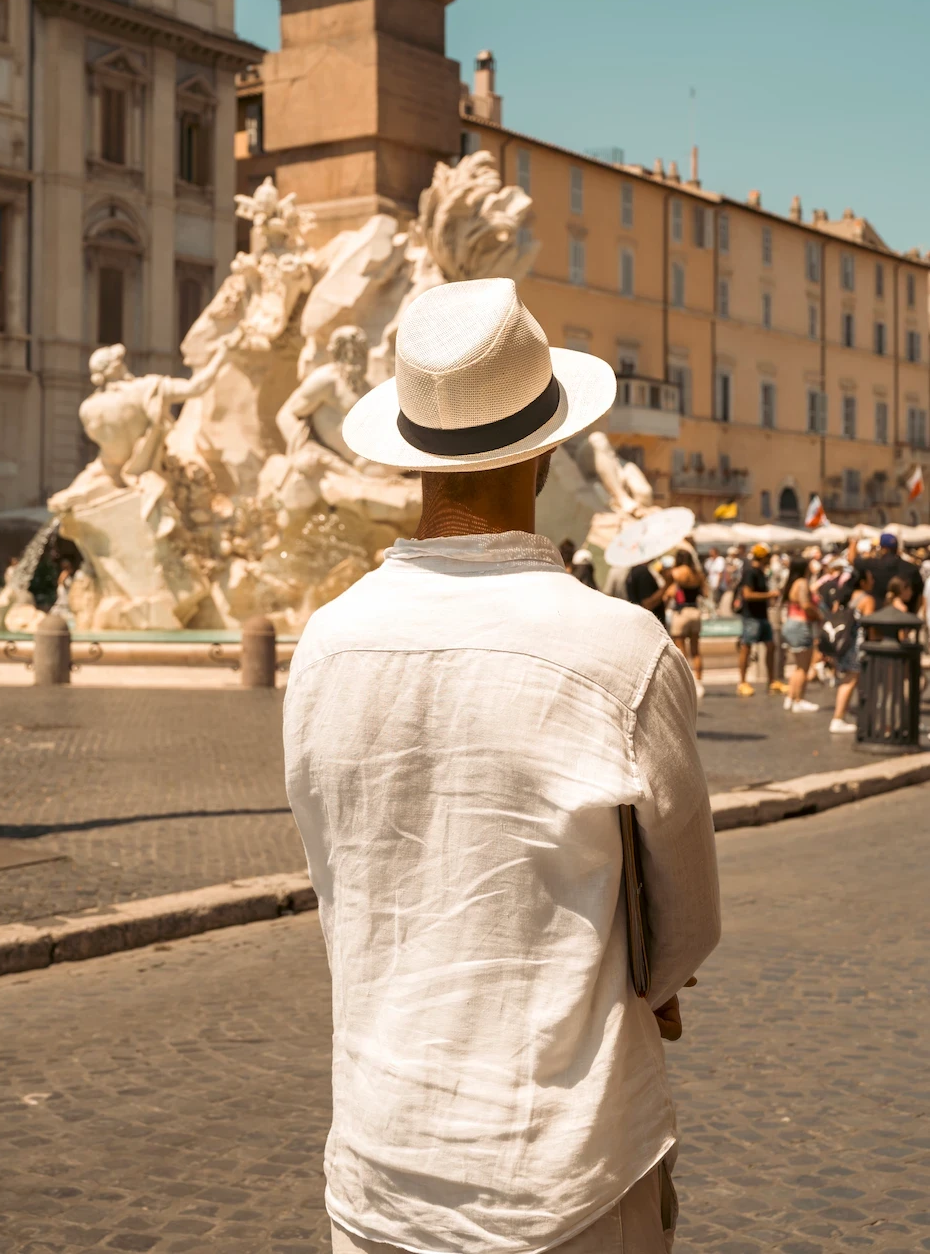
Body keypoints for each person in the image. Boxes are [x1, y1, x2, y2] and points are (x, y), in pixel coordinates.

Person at [285, 278, 721, 1254]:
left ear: (407, 456)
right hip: (563, 1176)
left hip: (375, 1163)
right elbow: (683, 929)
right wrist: (650, 984)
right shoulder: (622, 651)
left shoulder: (322, 645)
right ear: (546, 443)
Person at [827, 565, 877, 733]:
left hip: (843, 643)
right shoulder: (866, 600)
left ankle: (854, 712)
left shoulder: (843, 597)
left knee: (851, 679)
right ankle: (838, 718)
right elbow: (870, 626)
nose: (873, 581)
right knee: (850, 680)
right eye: (870, 578)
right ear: (862, 582)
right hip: (856, 644)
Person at [735, 543, 781, 696]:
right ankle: (742, 682)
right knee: (746, 648)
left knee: (770, 646)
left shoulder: (760, 572)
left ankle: (771, 681)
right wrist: (770, 595)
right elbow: (747, 594)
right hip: (751, 617)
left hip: (761, 616)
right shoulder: (750, 572)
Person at [780, 558, 820, 713]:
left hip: (792, 623)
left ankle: (791, 697)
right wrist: (819, 615)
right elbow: (805, 605)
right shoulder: (802, 582)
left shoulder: (793, 582)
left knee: (798, 666)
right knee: (803, 667)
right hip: (801, 625)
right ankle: (799, 699)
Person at [667, 548, 705, 698]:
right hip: (695, 611)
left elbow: (670, 593)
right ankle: (699, 683)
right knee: (696, 650)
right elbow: (705, 593)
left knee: (681, 651)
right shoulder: (697, 574)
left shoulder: (676, 573)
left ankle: (685, 684)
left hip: (681, 613)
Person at [868, 532, 921, 610]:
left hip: (877, 614)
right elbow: (920, 595)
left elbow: (853, 560)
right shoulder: (911, 568)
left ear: (883, 548)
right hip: (906, 616)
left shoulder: (872, 565)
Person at [625, 554, 672, 625]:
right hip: (650, 624)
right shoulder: (642, 572)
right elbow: (647, 604)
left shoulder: (633, 571)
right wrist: (667, 585)